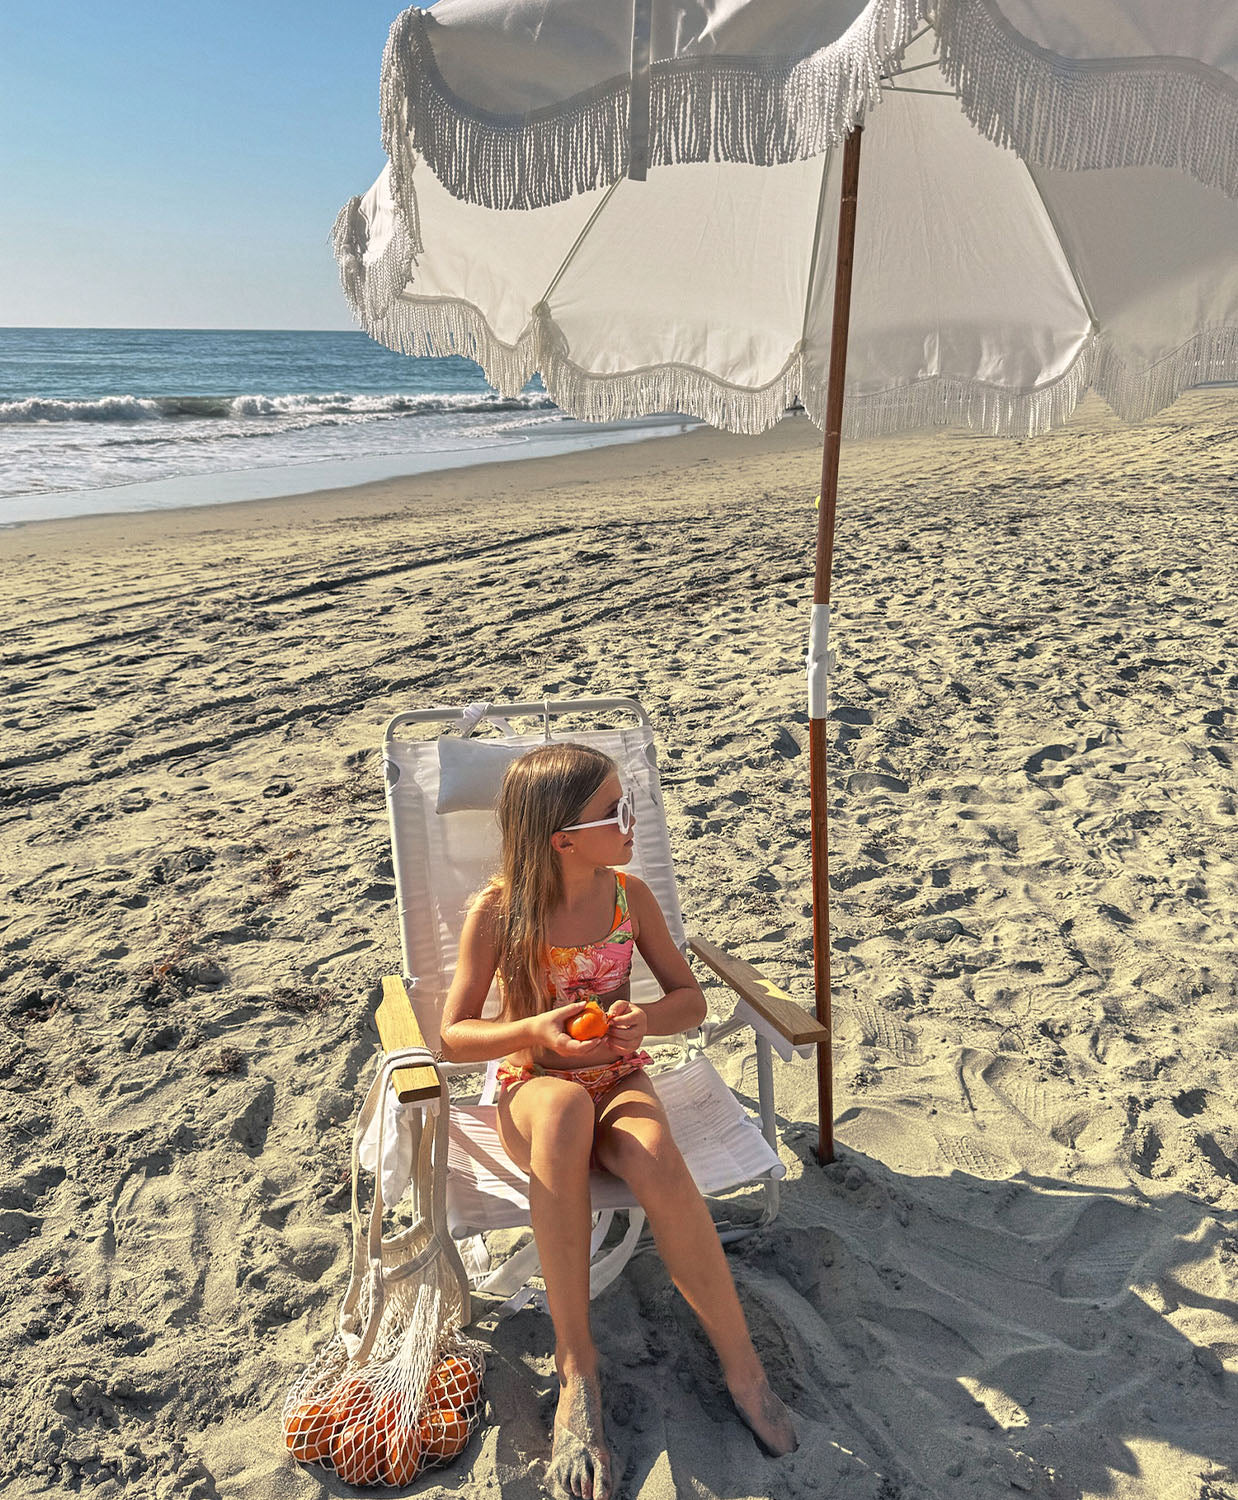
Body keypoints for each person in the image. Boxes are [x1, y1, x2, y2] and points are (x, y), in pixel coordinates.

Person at [439, 743, 798, 1500]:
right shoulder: (501, 911)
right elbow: (454, 1035)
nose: (634, 819)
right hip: (534, 1088)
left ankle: (743, 1366)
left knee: (654, 1152)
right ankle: (577, 1367)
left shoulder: (630, 897)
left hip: (620, 1076)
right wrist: (532, 1032)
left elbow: (689, 1001)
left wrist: (646, 1020)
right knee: (566, 1112)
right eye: (617, 811)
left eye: (629, 802)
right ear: (564, 839)